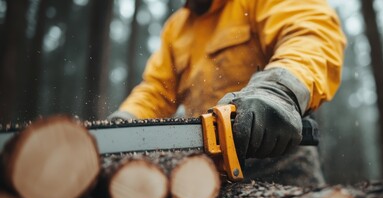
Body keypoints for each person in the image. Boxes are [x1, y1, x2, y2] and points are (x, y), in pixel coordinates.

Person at [109, 0, 346, 186]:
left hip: (276, 151)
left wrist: (279, 89)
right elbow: (157, 91)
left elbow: (310, 36)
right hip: (208, 166)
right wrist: (127, 120)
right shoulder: (176, 27)